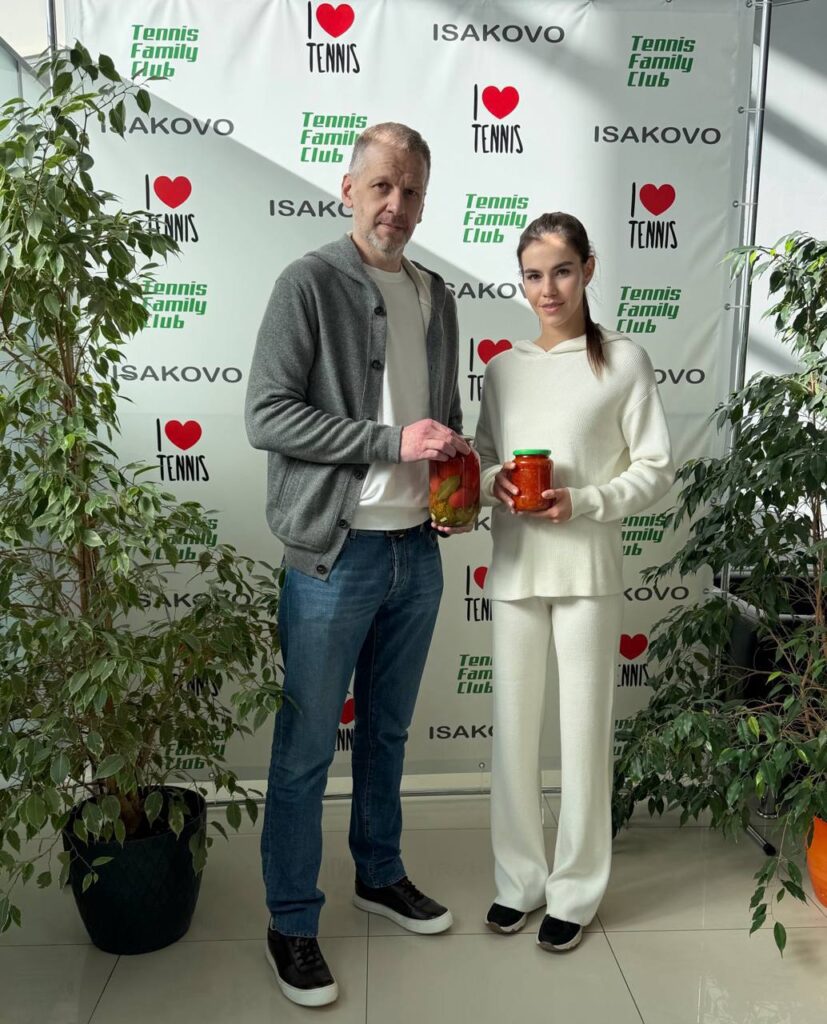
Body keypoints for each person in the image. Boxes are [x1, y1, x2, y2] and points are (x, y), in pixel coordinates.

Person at [245, 123, 468, 1008]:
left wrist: (452, 479)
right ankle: (291, 922)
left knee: (386, 733)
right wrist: (388, 441)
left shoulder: (436, 295)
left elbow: (438, 417)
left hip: (417, 549)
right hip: (333, 557)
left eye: (411, 190)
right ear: (347, 189)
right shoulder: (306, 282)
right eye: (381, 185)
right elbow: (266, 414)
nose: (395, 205)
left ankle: (378, 874)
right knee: (305, 749)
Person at [474, 212, 674, 953]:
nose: (547, 289)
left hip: (588, 571)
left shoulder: (623, 360)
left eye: (561, 270)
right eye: (533, 275)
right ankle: (518, 881)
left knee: (585, 736)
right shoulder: (503, 369)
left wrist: (584, 501)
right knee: (512, 736)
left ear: (588, 269)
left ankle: (577, 891)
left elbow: (655, 467)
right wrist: (493, 482)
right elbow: (483, 458)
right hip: (515, 569)